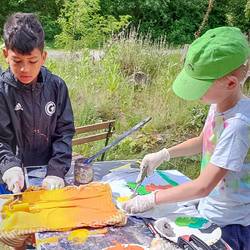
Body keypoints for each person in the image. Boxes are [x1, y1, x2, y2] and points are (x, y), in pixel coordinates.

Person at [122, 26, 250, 250]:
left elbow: (203, 187)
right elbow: (204, 140)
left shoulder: (238, 126)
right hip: (210, 209)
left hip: (230, 225)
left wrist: (152, 199)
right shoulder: (219, 104)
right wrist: (165, 154)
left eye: (200, 87)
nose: (196, 93)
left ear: (230, 83)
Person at [0, 13, 75, 194]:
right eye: (17, 61)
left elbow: (64, 132)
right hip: (9, 176)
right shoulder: (2, 91)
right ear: (5, 54)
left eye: (32, 61)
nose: (25, 69)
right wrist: (9, 166)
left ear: (43, 57)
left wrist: (56, 171)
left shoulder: (57, 86)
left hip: (47, 176)